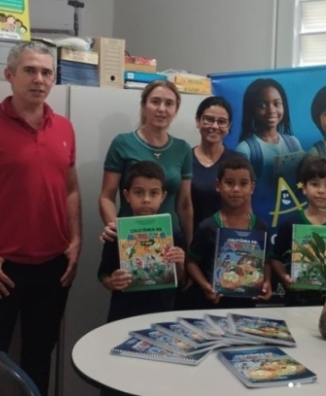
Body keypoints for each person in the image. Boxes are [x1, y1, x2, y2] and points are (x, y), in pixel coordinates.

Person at [0, 42, 81, 396]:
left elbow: (71, 189)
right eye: (30, 70)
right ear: (9, 75)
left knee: (40, 354)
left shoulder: (64, 128)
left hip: (54, 267)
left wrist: (76, 240)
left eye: (46, 72)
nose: (39, 79)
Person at [99, 80, 194, 247]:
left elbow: (184, 204)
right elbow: (107, 197)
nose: (161, 109)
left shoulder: (183, 149)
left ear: (175, 110)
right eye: (155, 102)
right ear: (144, 106)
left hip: (169, 240)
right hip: (129, 239)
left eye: (169, 103)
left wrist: (189, 246)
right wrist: (117, 231)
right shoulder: (122, 143)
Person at [98, 161, 186, 322]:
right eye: (138, 192)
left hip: (161, 310)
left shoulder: (172, 232)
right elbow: (103, 273)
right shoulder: (117, 232)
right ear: (127, 195)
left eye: (154, 193)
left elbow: (177, 278)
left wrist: (180, 264)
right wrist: (112, 281)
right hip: (124, 311)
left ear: (163, 196)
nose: (146, 199)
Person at [187, 156, 273, 308]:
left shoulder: (261, 227)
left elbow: (265, 262)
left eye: (243, 183)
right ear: (218, 185)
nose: (236, 189)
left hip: (248, 306)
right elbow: (191, 262)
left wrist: (267, 282)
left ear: (252, 187)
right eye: (229, 183)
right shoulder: (207, 227)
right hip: (213, 305)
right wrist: (206, 286)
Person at [271, 156, 326, 306]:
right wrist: (285, 277)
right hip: (296, 301)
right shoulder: (290, 224)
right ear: (304, 188)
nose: (321, 190)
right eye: (314, 184)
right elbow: (275, 258)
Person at [236, 78, 303, 190]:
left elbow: (303, 178)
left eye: (277, 104)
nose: (271, 110)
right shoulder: (245, 149)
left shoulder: (294, 143)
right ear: (251, 109)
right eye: (262, 105)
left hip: (291, 201)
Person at [191, 96, 241, 227]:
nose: (214, 126)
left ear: (229, 126)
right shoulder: (184, 159)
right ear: (198, 121)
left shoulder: (238, 161)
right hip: (191, 235)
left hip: (227, 235)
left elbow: (245, 206)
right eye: (208, 119)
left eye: (222, 121)